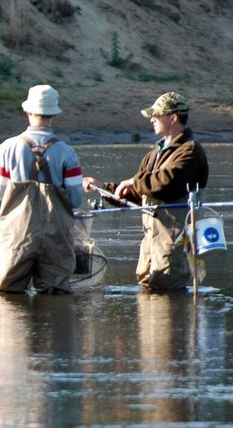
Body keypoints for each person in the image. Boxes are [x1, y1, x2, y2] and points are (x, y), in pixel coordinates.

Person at [83, 91, 209, 291]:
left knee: (169, 295)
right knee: (147, 289)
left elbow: (164, 183)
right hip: (151, 247)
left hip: (173, 245)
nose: (152, 119)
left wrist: (132, 182)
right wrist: (103, 188)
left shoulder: (191, 151)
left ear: (173, 118)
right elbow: (137, 194)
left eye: (156, 115)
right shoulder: (153, 154)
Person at [0, 84, 85, 294]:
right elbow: (76, 198)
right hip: (56, 235)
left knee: (9, 293)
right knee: (56, 294)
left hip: (17, 235)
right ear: (54, 114)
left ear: (28, 111)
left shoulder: (8, 147)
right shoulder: (68, 152)